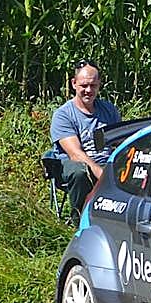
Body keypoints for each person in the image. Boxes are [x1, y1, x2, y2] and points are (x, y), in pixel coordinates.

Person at [51, 60, 121, 217]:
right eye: (84, 86)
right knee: (80, 172)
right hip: (75, 165)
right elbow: (75, 154)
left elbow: (121, 141)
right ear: (74, 84)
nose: (88, 90)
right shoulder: (63, 115)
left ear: (99, 84)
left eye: (93, 85)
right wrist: (101, 173)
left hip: (106, 161)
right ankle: (80, 219)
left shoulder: (109, 110)